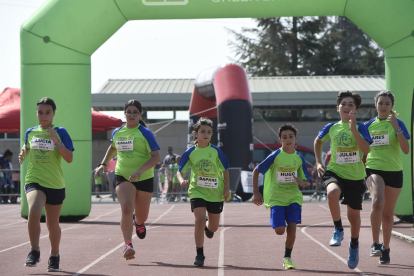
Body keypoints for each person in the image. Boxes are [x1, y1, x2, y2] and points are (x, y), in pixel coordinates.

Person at [94, 99, 160, 261]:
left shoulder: (145, 133)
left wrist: (140, 170)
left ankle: (139, 223)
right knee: (126, 207)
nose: (131, 115)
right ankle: (128, 244)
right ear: (124, 114)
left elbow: (156, 157)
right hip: (123, 176)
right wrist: (103, 164)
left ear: (140, 114)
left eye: (135, 112)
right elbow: (113, 147)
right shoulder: (118, 132)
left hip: (144, 177)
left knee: (142, 216)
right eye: (128, 112)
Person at [314, 90, 372, 269]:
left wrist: (353, 129)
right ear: (338, 107)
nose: (347, 107)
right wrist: (317, 163)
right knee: (332, 192)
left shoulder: (361, 127)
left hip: (355, 176)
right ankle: (338, 229)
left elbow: (366, 150)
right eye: (344, 104)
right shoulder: (332, 127)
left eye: (351, 105)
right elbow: (318, 141)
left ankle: (354, 245)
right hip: (335, 172)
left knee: (354, 216)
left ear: (356, 109)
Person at [19, 97, 74, 272]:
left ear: (54, 113)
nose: (43, 116)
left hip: (55, 183)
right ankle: (34, 251)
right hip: (34, 179)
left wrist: (57, 141)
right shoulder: (30, 132)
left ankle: (54, 255)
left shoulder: (61, 131)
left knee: (52, 224)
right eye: (40, 112)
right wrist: (23, 154)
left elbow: (69, 158)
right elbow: (26, 148)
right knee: (34, 211)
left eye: (47, 112)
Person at [252, 123, 311, 269]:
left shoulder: (299, 159)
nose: (288, 139)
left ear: (296, 138)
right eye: (284, 137)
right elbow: (256, 171)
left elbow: (306, 182)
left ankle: (287, 257)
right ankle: (277, 218)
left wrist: (301, 182)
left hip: (294, 197)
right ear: (280, 140)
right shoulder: (275, 156)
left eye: (290, 136)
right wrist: (255, 193)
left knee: (292, 228)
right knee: (280, 231)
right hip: (277, 198)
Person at [364, 90, 410, 264]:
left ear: (392, 106)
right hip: (373, 168)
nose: (383, 106)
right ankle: (375, 243)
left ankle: (386, 248)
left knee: (389, 213)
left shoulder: (398, 124)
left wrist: (397, 128)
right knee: (377, 202)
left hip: (394, 171)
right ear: (375, 104)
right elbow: (362, 148)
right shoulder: (368, 125)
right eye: (380, 103)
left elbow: (406, 150)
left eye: (387, 104)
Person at [177, 118, 230, 267]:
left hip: (215, 192)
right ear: (195, 134)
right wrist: (182, 180)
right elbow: (179, 171)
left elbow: (225, 170)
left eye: (208, 132)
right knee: (199, 220)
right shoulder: (190, 153)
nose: (205, 134)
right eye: (202, 132)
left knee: (213, 227)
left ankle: (208, 227)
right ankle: (199, 254)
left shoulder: (216, 151)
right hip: (197, 190)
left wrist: (226, 188)